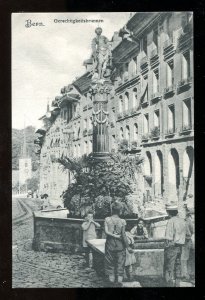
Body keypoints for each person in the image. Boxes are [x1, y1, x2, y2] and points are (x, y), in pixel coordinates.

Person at [104, 201, 132, 286]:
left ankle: (111, 282)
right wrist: (128, 247)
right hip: (120, 245)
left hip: (110, 244)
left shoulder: (107, 219)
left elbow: (106, 232)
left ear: (112, 210)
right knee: (120, 264)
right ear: (120, 211)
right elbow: (123, 235)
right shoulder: (123, 221)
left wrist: (113, 235)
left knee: (110, 263)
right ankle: (119, 282)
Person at [164, 202, 186, 287]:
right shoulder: (182, 220)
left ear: (168, 212)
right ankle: (177, 285)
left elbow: (168, 237)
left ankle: (169, 284)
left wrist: (167, 246)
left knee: (169, 267)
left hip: (171, 246)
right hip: (180, 247)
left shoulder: (171, 221)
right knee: (177, 266)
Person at [181, 209, 194, 281]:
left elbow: (192, 231)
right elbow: (192, 231)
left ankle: (186, 276)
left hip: (186, 241)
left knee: (184, 259)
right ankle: (188, 275)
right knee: (186, 259)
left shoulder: (186, 220)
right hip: (187, 240)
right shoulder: (188, 220)